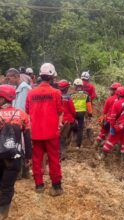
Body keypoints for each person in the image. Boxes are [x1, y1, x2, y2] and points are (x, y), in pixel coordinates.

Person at [0, 85, 32, 219]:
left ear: (1, 99)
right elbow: (27, 138)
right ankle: (2, 212)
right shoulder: (22, 115)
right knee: (8, 185)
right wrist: (28, 156)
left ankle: (0, 208)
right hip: (15, 156)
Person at [25, 62, 64, 196]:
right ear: (52, 76)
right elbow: (60, 112)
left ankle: (39, 185)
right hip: (52, 133)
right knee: (53, 159)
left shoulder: (31, 93)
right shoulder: (56, 93)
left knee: (37, 159)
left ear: (40, 75)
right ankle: (56, 186)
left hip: (36, 133)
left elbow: (28, 111)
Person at [98, 86, 124, 160]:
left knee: (110, 141)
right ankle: (122, 161)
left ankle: (102, 156)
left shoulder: (116, 103)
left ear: (117, 94)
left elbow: (112, 118)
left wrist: (111, 127)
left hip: (118, 126)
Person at [5, 68, 32, 179]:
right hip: (18, 121)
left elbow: (20, 109)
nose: (8, 81)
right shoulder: (18, 89)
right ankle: (23, 172)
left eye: (9, 78)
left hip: (21, 122)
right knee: (20, 146)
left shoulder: (24, 89)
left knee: (21, 146)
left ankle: (21, 172)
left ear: (16, 77)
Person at [95, 82, 122, 149]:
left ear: (115, 90)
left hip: (109, 120)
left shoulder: (109, 99)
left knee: (103, 132)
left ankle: (96, 145)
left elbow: (104, 111)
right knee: (117, 136)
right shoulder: (123, 100)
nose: (111, 91)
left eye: (112, 90)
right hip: (118, 123)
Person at [70, 78, 93, 149]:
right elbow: (89, 105)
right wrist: (90, 113)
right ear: (81, 86)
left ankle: (71, 141)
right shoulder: (86, 94)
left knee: (72, 126)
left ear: (75, 86)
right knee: (80, 129)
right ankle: (78, 146)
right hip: (82, 113)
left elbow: (69, 104)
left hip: (73, 113)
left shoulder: (72, 95)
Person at [57, 80, 76, 160]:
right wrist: (74, 117)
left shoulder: (56, 96)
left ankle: (61, 153)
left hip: (58, 120)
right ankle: (63, 153)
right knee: (63, 138)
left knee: (59, 138)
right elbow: (72, 110)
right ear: (67, 88)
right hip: (68, 121)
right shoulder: (68, 98)